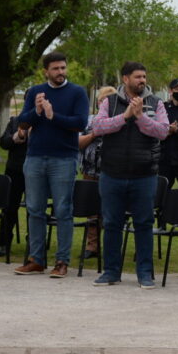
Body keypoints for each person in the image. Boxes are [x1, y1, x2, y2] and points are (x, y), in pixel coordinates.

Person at [91, 62, 169, 289]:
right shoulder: (110, 102)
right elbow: (98, 127)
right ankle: (110, 272)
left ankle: (145, 273)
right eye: (137, 77)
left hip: (144, 174)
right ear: (125, 79)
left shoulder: (156, 102)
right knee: (112, 223)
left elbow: (163, 131)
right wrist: (125, 117)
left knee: (144, 224)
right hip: (112, 173)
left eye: (144, 76)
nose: (142, 80)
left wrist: (140, 117)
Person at [14, 52, 89, 278]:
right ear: (46, 71)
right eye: (55, 69)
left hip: (63, 159)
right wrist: (37, 111)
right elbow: (23, 122)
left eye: (63, 68)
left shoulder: (77, 92)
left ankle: (62, 262)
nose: (60, 72)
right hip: (35, 157)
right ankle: (36, 259)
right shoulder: (36, 91)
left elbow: (80, 123)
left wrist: (52, 115)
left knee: (63, 211)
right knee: (34, 209)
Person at [77, 86, 117, 260]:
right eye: (102, 101)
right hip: (90, 171)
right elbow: (78, 143)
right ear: (99, 102)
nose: (105, 104)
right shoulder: (89, 120)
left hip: (113, 173)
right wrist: (95, 133)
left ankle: (110, 247)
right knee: (91, 210)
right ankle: (92, 246)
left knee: (110, 211)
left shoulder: (119, 121)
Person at [0, 113, 27, 258]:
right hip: (14, 170)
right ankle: (4, 242)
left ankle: (33, 241)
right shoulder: (15, 121)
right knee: (9, 207)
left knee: (34, 208)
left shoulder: (44, 120)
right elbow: (3, 142)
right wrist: (16, 137)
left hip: (36, 170)